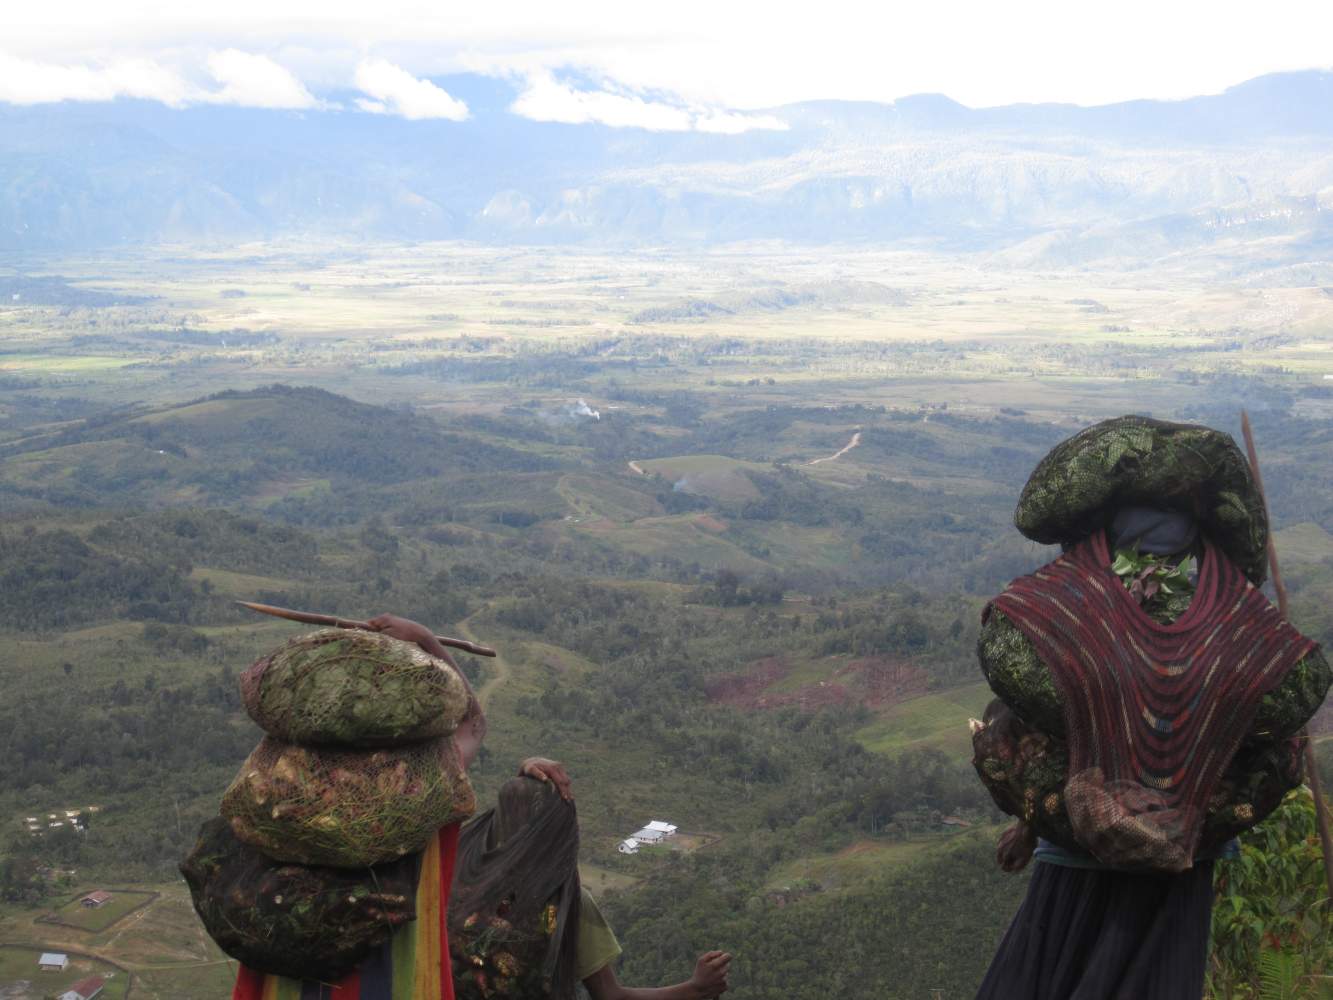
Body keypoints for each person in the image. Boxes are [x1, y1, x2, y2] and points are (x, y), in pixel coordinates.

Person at [970, 417, 1329, 1000]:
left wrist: (1032, 822)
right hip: (1178, 876)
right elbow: (1287, 706)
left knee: (1046, 976)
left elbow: (1022, 720)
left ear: (1102, 537)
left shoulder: (1055, 618)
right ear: (1194, 544)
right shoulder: (1239, 634)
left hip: (1073, 866)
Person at [232, 613, 485, 1000]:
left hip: (286, 984)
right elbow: (473, 723)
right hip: (398, 982)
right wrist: (426, 640)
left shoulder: (274, 787)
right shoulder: (426, 785)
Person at [451, 758, 732, 1000]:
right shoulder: (567, 902)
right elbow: (610, 995)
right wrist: (694, 989)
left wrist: (524, 769)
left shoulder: (456, 872)